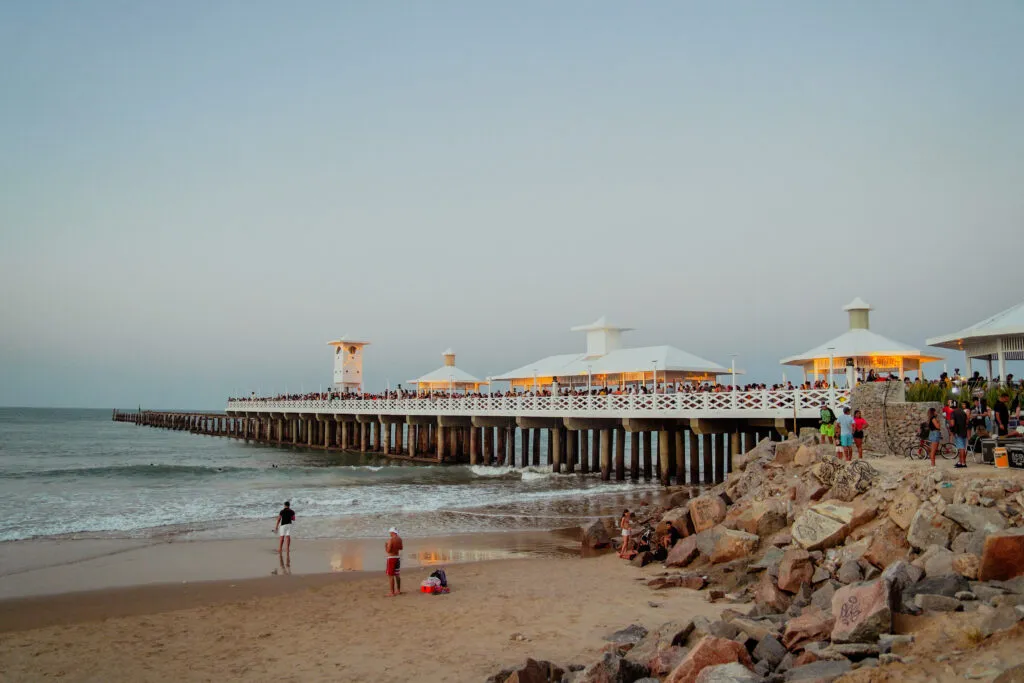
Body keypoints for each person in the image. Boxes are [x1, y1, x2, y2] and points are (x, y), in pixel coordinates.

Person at [950, 400, 969, 469]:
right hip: (964, 431)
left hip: (958, 432)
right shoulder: (963, 412)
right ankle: (961, 461)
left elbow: (952, 423)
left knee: (961, 448)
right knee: (963, 447)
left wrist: (951, 430)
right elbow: (967, 421)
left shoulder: (953, 413)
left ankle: (963, 463)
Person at [385, 527, 403, 596]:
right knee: (397, 574)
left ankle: (392, 592)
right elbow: (401, 548)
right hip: (397, 557)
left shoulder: (391, 540)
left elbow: (388, 551)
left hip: (391, 558)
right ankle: (398, 590)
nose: (389, 534)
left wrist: (386, 546)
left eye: (390, 532)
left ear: (392, 532)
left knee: (391, 575)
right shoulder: (399, 539)